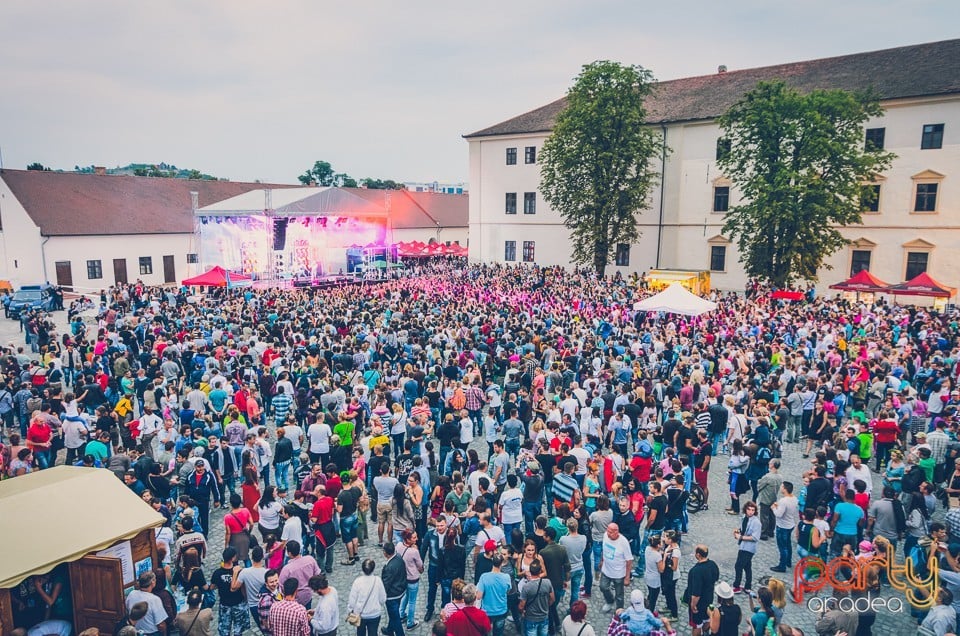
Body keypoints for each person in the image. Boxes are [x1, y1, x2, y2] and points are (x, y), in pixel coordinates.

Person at [211, 547, 249, 636]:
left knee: (224, 629)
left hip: (225, 604)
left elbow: (212, 587)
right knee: (238, 629)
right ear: (233, 558)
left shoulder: (217, 573)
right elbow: (243, 587)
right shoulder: (239, 571)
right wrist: (246, 599)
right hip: (238, 603)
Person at [684, 545, 719, 636]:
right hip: (709, 598)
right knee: (707, 618)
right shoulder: (713, 564)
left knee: (697, 624)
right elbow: (716, 578)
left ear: (698, 555)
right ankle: (706, 633)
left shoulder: (696, 571)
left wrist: (693, 605)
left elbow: (696, 593)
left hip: (698, 603)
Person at [598, 522, 633, 612]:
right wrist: (602, 560)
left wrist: (627, 577)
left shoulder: (623, 542)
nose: (608, 534)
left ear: (616, 532)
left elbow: (629, 560)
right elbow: (604, 549)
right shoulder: (606, 535)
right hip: (606, 569)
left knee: (619, 595)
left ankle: (619, 610)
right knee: (603, 587)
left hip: (618, 573)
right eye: (607, 531)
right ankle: (610, 601)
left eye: (610, 532)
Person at [348, 559, 387, 636]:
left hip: (361, 615)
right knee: (373, 633)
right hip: (374, 614)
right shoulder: (378, 580)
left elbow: (352, 601)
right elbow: (383, 599)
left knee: (360, 633)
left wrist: (350, 611)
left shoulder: (357, 582)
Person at [476, 552, 511, 636]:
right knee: (498, 632)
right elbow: (508, 591)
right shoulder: (506, 577)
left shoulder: (484, 577)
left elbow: (478, 596)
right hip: (501, 610)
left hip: (487, 611)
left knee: (484, 632)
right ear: (502, 563)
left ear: (492, 561)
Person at [125, 571, 169, 635]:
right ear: (152, 582)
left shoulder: (132, 594)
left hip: (135, 631)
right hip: (151, 633)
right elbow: (161, 625)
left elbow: (127, 610)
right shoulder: (154, 599)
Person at [278, 541, 321, 608]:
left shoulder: (287, 569)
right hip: (308, 594)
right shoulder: (310, 559)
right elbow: (317, 573)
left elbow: (281, 585)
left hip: (294, 598)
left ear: (289, 553)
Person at [518, 561, 553, 636]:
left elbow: (521, 606)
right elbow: (552, 599)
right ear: (540, 571)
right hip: (544, 616)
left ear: (530, 571)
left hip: (531, 618)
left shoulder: (526, 587)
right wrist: (546, 607)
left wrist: (522, 612)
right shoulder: (547, 582)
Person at [732, 501, 761, 593]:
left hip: (749, 548)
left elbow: (755, 537)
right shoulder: (744, 517)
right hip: (743, 546)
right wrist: (738, 531)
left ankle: (736, 586)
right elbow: (743, 529)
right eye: (749, 509)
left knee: (738, 566)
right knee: (747, 566)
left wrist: (740, 537)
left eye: (753, 510)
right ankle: (748, 586)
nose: (751, 512)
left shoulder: (756, 522)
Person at [770, 482, 798, 573]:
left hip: (782, 526)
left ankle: (782, 565)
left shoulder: (783, 501)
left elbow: (779, 514)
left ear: (785, 489)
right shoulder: (794, 498)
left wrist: (774, 508)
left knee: (782, 546)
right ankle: (788, 561)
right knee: (788, 544)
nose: (781, 488)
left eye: (782, 486)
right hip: (790, 524)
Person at [382, 541, 408, 636]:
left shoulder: (389, 567)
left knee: (395, 617)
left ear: (385, 553)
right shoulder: (399, 558)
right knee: (393, 615)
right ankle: (389, 630)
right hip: (401, 591)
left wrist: (382, 596)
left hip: (392, 596)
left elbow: (386, 585)